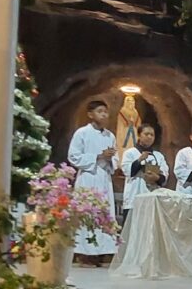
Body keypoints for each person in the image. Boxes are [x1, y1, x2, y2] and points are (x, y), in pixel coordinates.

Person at [68, 99, 118, 265]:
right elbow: (73, 156)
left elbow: (115, 159)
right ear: (90, 114)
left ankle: (102, 251)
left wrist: (110, 158)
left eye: (105, 112)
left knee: (104, 213)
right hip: (88, 177)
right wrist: (98, 156)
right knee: (87, 213)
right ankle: (84, 252)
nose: (104, 115)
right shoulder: (82, 133)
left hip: (104, 178)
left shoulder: (110, 136)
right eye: (100, 111)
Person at [120, 123, 168, 224]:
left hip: (152, 198)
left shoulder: (158, 156)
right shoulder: (130, 153)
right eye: (146, 134)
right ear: (139, 135)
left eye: (152, 135)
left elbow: (164, 175)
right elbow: (127, 171)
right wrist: (139, 160)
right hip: (134, 197)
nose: (149, 137)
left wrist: (156, 177)